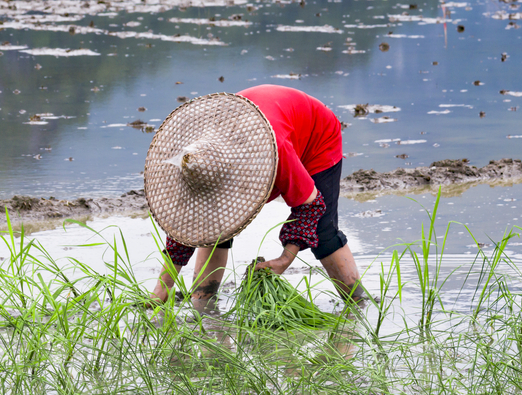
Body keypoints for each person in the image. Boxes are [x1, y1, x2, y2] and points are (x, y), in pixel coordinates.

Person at [143, 84, 362, 304]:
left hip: (315, 134)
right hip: (249, 122)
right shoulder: (202, 154)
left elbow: (311, 204)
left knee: (323, 230)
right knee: (213, 224)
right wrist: (162, 287)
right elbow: (188, 224)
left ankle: (357, 303)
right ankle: (203, 304)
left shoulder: (273, 150)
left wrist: (284, 260)